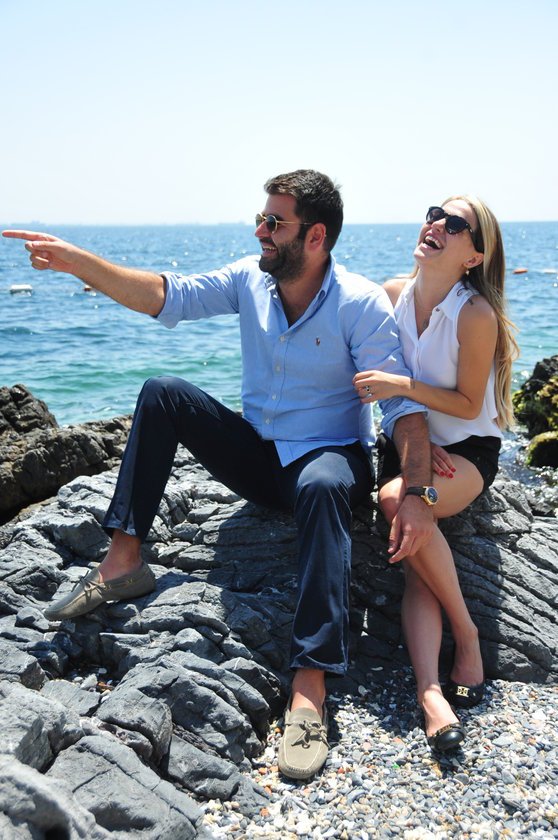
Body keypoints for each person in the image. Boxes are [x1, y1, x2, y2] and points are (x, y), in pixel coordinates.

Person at [3, 170, 436, 779]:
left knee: (321, 484)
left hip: (328, 460)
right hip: (259, 456)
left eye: (274, 222)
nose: (260, 231)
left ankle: (310, 686)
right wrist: (80, 264)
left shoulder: (360, 303)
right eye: (261, 218)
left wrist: (416, 493)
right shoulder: (249, 279)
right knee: (163, 391)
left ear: (315, 237)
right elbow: (167, 296)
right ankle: (123, 561)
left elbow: (402, 410)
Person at [354, 197, 519, 751]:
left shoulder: (475, 315)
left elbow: (470, 402)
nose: (436, 226)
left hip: (466, 449)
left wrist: (401, 388)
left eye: (455, 225)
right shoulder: (391, 294)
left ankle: (466, 636)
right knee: (416, 556)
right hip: (410, 441)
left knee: (397, 502)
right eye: (434, 214)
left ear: (473, 257)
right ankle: (431, 690)